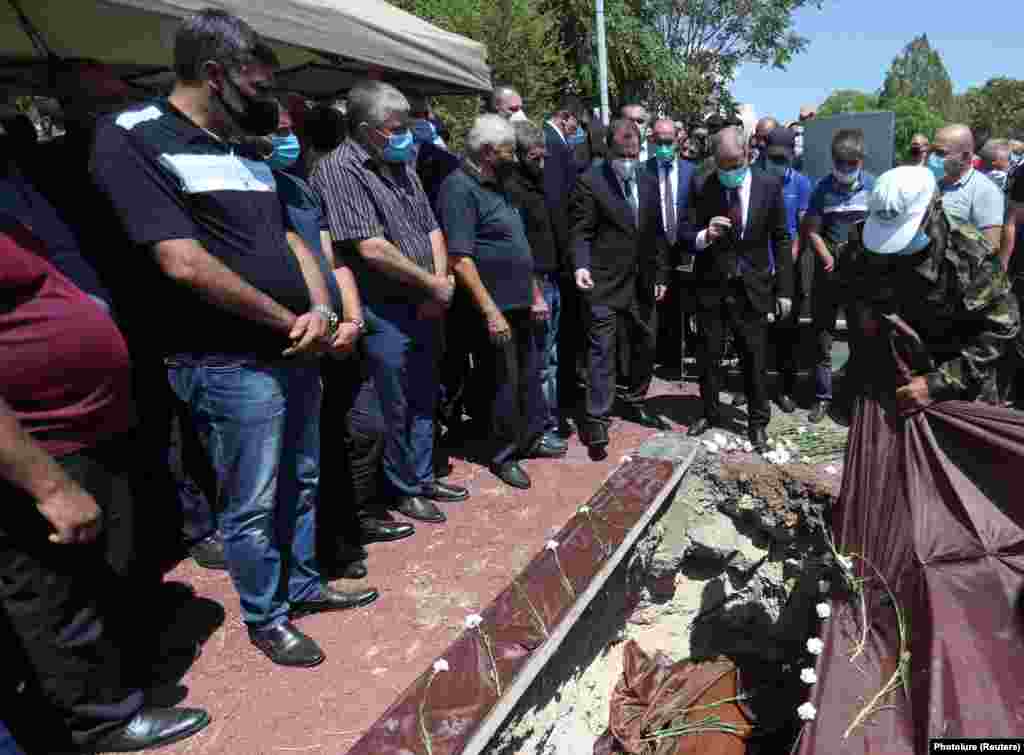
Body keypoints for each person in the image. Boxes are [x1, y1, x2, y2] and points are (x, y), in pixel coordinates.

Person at [92, 9, 379, 669]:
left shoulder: (238, 147)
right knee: (251, 497)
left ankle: (302, 583)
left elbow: (285, 238)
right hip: (226, 359)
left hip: (297, 346)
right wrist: (289, 322)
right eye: (255, 90)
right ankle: (267, 615)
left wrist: (317, 306)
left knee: (301, 478)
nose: (266, 106)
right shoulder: (132, 137)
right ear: (214, 75)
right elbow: (181, 262)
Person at [0, 217, 210, 753]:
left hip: (85, 429)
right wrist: (47, 486)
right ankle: (103, 722)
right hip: (35, 448)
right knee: (55, 595)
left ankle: (125, 682)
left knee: (104, 571)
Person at [311, 79, 469, 526]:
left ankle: (421, 475)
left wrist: (438, 284)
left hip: (425, 303)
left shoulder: (402, 162)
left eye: (408, 125)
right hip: (385, 309)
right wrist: (429, 285)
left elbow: (431, 226)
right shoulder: (338, 171)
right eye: (395, 126)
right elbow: (370, 248)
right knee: (393, 402)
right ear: (364, 128)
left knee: (425, 394)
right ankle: (400, 488)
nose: (405, 134)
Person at [438, 115, 560, 488]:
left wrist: (535, 291)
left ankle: (529, 437)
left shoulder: (500, 184)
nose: (514, 157)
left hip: (521, 300)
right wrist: (490, 311)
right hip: (495, 307)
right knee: (502, 382)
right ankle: (504, 454)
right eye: (509, 151)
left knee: (526, 375)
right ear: (489, 152)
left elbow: (517, 244)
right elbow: (460, 258)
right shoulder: (458, 189)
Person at [685, 126, 793, 452]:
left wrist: (784, 290)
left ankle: (758, 423)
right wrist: (705, 234)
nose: (730, 172)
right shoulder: (702, 185)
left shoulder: (769, 184)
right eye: (724, 166)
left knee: (754, 357)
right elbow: (684, 231)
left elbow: (781, 238)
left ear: (747, 153)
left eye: (736, 164)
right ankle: (710, 412)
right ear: (714, 161)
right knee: (709, 355)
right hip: (712, 285)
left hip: (754, 286)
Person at [571, 118, 672, 454]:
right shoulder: (590, 181)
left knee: (647, 341)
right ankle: (597, 419)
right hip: (603, 280)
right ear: (609, 149)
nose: (628, 160)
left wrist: (660, 275)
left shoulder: (646, 179)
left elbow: (656, 232)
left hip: (642, 281)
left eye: (634, 153)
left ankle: (634, 398)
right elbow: (582, 230)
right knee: (602, 349)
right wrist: (581, 264)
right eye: (622, 154)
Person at [503, 121, 571, 454]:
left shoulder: (541, 182)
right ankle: (538, 429)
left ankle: (550, 420)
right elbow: (518, 250)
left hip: (553, 279)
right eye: (534, 158)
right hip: (535, 286)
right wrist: (534, 293)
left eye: (544, 157)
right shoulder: (512, 189)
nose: (541, 164)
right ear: (517, 156)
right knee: (540, 364)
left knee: (552, 359)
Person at [800, 128, 876, 424]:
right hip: (828, 272)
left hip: (860, 274)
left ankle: (851, 399)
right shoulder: (822, 188)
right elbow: (812, 231)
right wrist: (827, 256)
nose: (845, 170)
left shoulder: (873, 186)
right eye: (840, 164)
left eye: (851, 165)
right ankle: (822, 397)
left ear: (860, 161)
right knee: (823, 337)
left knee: (860, 337)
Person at [761, 128, 813, 413]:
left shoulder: (802, 184)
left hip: (787, 269)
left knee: (786, 333)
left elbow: (803, 226)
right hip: (757, 268)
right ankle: (754, 388)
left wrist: (788, 259)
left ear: (793, 155)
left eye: (783, 158)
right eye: (773, 158)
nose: (778, 163)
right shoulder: (754, 179)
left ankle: (784, 390)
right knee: (757, 333)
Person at [646, 118, 697, 373]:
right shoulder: (643, 171)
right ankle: (662, 357)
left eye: (669, 142)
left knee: (684, 304)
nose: (665, 146)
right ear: (652, 141)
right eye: (660, 142)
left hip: (684, 246)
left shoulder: (692, 171)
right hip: (656, 246)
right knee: (659, 304)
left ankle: (680, 357)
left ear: (677, 140)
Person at [929, 124, 1005, 250]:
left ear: (965, 157)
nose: (933, 157)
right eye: (932, 151)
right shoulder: (931, 181)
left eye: (940, 153)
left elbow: (990, 248)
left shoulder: (986, 191)